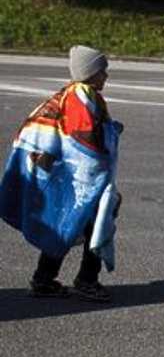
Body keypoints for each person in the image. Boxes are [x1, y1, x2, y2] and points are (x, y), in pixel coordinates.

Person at [0, 45, 122, 302]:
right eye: (102, 71)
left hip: (63, 173)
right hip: (80, 178)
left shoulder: (73, 94)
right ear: (88, 73)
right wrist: (100, 175)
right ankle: (86, 280)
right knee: (93, 221)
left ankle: (44, 279)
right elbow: (84, 144)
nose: (106, 76)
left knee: (65, 221)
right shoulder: (81, 97)